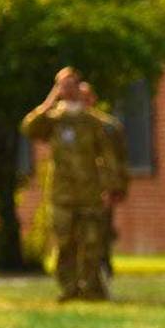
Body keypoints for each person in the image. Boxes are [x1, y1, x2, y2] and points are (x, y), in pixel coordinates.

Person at [20, 68, 124, 302]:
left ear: (79, 87)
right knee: (64, 242)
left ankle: (91, 288)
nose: (68, 89)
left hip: (89, 191)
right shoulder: (53, 120)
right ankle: (68, 288)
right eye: (62, 85)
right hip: (61, 193)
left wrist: (113, 187)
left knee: (91, 242)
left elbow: (108, 157)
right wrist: (50, 101)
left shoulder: (92, 121)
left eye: (71, 85)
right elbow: (29, 128)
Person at [78, 82, 129, 277]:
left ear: (92, 99)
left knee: (101, 233)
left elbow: (119, 160)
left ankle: (102, 271)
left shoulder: (108, 126)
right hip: (75, 189)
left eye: (84, 98)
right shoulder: (66, 124)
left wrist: (117, 188)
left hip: (101, 188)